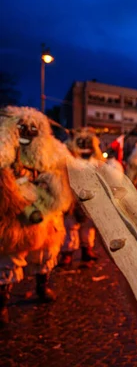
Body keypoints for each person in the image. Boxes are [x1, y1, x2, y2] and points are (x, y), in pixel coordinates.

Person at [0, 107, 72, 325]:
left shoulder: (54, 152)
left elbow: (67, 170)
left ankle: (42, 285)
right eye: (23, 127)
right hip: (16, 214)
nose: (28, 132)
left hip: (46, 211)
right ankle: (3, 300)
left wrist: (50, 182)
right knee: (9, 256)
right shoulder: (5, 151)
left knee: (46, 253)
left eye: (34, 128)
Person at [59, 127, 103, 267]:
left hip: (90, 199)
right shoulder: (67, 158)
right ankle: (67, 254)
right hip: (71, 197)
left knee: (88, 227)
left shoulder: (96, 159)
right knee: (70, 226)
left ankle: (87, 250)